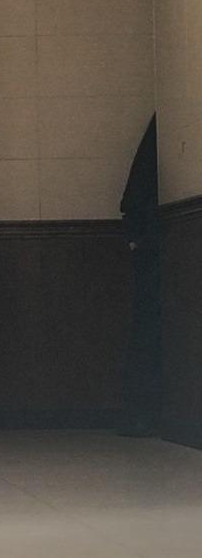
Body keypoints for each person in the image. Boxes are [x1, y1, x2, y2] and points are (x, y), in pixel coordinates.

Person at [118, 115, 161, 438]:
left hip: (147, 242)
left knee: (146, 330)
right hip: (152, 242)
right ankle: (143, 411)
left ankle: (140, 413)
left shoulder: (159, 131)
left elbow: (133, 198)